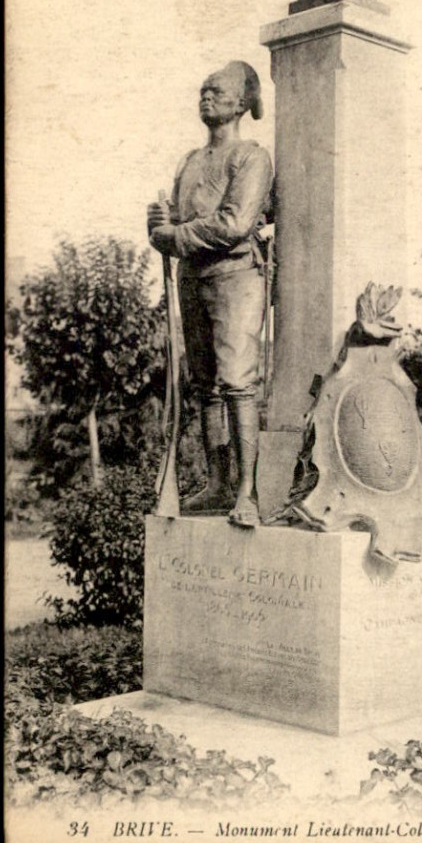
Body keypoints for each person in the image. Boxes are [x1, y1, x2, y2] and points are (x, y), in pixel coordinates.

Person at [147, 61, 273, 528]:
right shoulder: (190, 161)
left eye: (216, 91)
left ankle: (247, 492)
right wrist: (157, 226)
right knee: (204, 386)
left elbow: (235, 223)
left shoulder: (251, 157)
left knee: (238, 381)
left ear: (241, 103)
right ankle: (218, 483)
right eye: (202, 90)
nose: (206, 97)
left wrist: (174, 237)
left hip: (236, 277)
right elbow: (174, 223)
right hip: (192, 279)